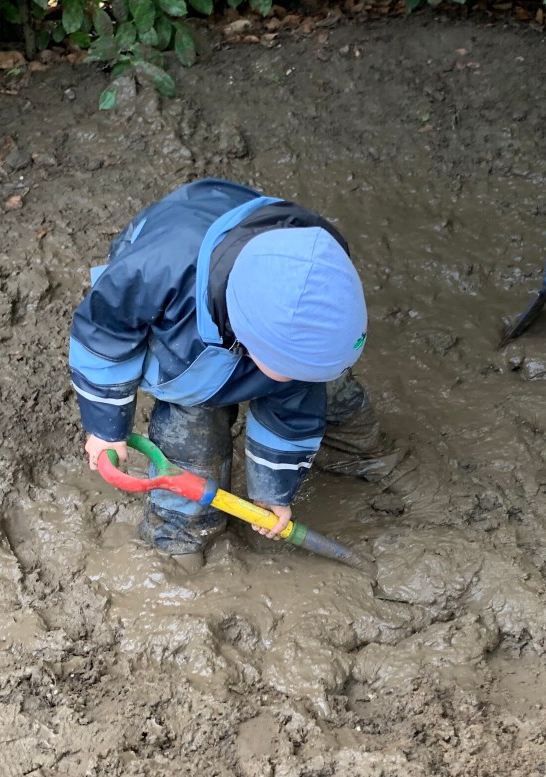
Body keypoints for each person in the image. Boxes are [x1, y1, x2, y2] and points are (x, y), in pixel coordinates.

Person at [69, 178, 403, 569]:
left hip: (253, 288)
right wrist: (107, 428)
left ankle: (360, 454)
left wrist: (272, 493)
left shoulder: (322, 276)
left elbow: (293, 409)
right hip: (179, 310)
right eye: (283, 365)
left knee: (323, 391)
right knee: (194, 430)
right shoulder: (151, 273)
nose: (291, 377)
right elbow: (103, 337)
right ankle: (181, 534)